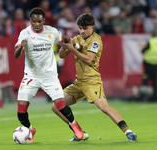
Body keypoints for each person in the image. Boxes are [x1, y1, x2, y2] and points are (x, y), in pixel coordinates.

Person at [52, 13, 137, 142]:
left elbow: (89, 59)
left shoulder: (96, 40)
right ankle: (79, 132)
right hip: (79, 82)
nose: (82, 31)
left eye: (85, 28)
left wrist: (73, 50)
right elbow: (63, 55)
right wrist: (65, 44)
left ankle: (128, 132)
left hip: (91, 80)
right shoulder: (77, 39)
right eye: (80, 28)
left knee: (104, 107)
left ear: (92, 27)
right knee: (56, 106)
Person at [14, 7, 85, 143]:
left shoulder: (51, 31)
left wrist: (77, 46)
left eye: (39, 21)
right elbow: (16, 55)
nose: (36, 24)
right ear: (30, 21)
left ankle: (75, 125)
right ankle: (30, 129)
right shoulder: (25, 33)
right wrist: (21, 47)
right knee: (21, 113)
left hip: (50, 77)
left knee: (61, 106)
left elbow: (65, 39)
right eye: (34, 21)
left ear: (44, 21)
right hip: (31, 77)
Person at [139, 30, 157, 101]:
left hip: (149, 64)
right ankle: (155, 96)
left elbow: (143, 50)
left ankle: (144, 96)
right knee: (154, 81)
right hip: (156, 65)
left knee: (145, 79)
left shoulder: (150, 41)